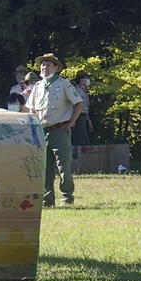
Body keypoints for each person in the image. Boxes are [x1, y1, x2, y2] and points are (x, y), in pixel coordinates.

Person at [26, 53, 83, 207]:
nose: (44, 68)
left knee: (63, 165)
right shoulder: (37, 86)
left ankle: (66, 197)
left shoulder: (64, 84)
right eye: (43, 65)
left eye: (48, 65)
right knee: (45, 167)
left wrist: (71, 121)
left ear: (55, 68)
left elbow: (78, 102)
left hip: (59, 130)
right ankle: (47, 200)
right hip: (41, 130)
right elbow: (31, 109)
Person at [72, 71, 94, 145]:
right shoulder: (76, 91)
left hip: (84, 117)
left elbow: (86, 108)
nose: (88, 80)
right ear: (81, 79)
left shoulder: (85, 92)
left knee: (80, 139)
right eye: (86, 78)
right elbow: (74, 105)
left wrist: (89, 121)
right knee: (83, 141)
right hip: (78, 117)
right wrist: (73, 120)